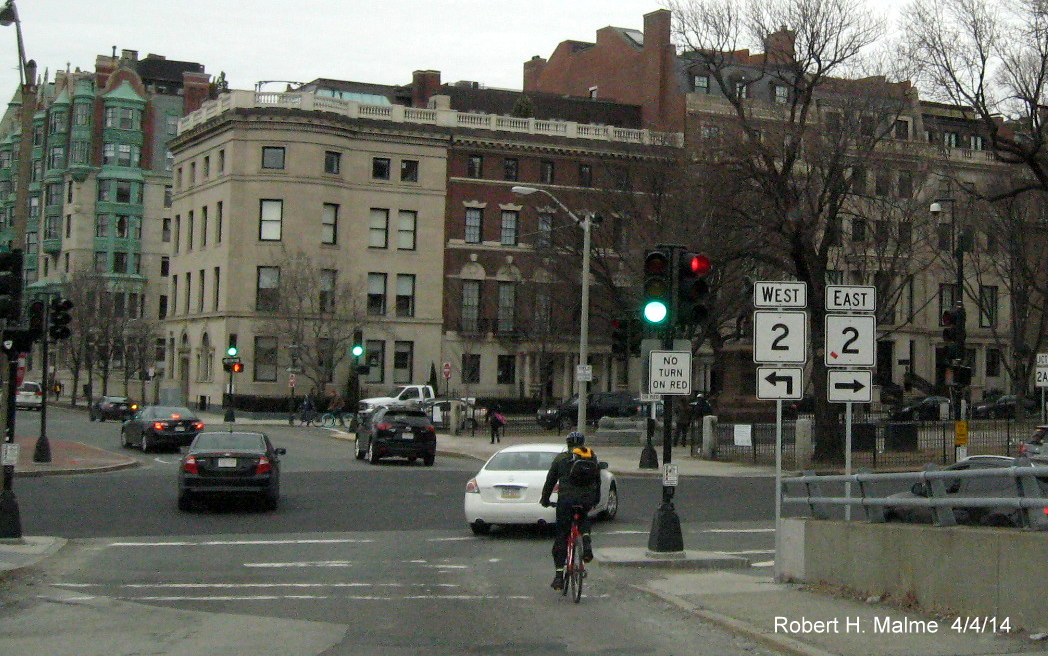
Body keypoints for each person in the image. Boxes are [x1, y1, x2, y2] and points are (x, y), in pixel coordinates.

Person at [540, 431, 601, 591]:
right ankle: (586, 543)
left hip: (566, 501)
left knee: (562, 535)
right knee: (583, 517)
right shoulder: (591, 457)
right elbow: (598, 480)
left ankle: (559, 576)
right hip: (586, 499)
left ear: (567, 443)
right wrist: (595, 499)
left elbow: (550, 481)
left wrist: (545, 500)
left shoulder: (561, 459)